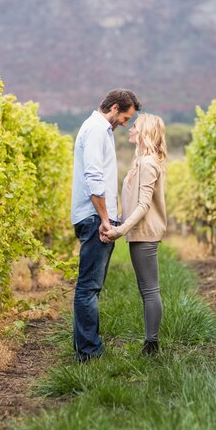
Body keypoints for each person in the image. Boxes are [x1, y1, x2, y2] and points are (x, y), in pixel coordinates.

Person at [71, 89, 141, 362]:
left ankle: (87, 348)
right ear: (113, 108)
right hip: (93, 218)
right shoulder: (97, 130)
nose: (125, 123)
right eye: (125, 116)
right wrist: (103, 219)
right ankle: (89, 353)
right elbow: (93, 177)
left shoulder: (99, 130)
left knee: (91, 286)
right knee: (89, 287)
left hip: (93, 216)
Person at [101, 113, 167, 354]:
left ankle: (152, 345)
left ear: (145, 132)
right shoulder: (142, 161)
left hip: (145, 233)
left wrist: (119, 230)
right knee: (146, 288)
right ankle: (151, 342)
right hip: (138, 233)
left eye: (135, 127)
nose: (130, 130)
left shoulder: (148, 163)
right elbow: (131, 202)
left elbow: (143, 205)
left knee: (149, 289)